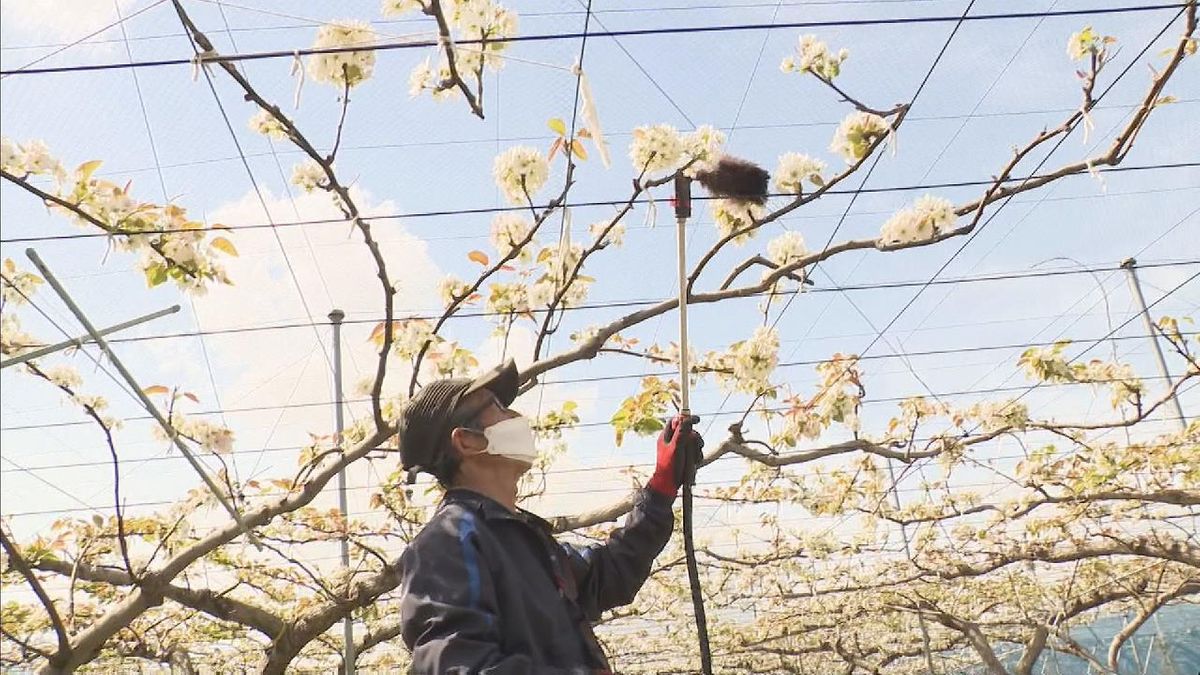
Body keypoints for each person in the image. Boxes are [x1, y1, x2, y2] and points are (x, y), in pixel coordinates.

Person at [395, 359, 703, 674]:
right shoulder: (446, 544)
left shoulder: (524, 540)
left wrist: (661, 488)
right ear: (466, 441)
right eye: (499, 407)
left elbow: (605, 575)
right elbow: (459, 666)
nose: (516, 416)